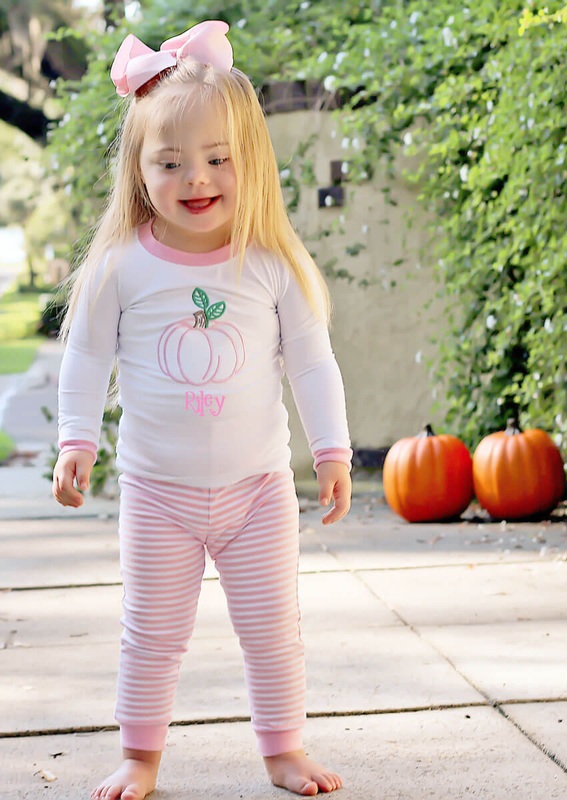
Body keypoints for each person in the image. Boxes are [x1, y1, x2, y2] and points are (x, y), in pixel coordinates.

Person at [52, 20, 353, 800]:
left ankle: (284, 750)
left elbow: (312, 362)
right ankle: (140, 758)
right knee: (151, 635)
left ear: (249, 162)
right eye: (172, 162)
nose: (197, 178)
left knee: (273, 634)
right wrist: (75, 439)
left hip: (257, 492)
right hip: (158, 495)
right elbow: (86, 357)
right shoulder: (119, 267)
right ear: (139, 168)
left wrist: (333, 450)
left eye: (219, 159)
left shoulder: (272, 264)